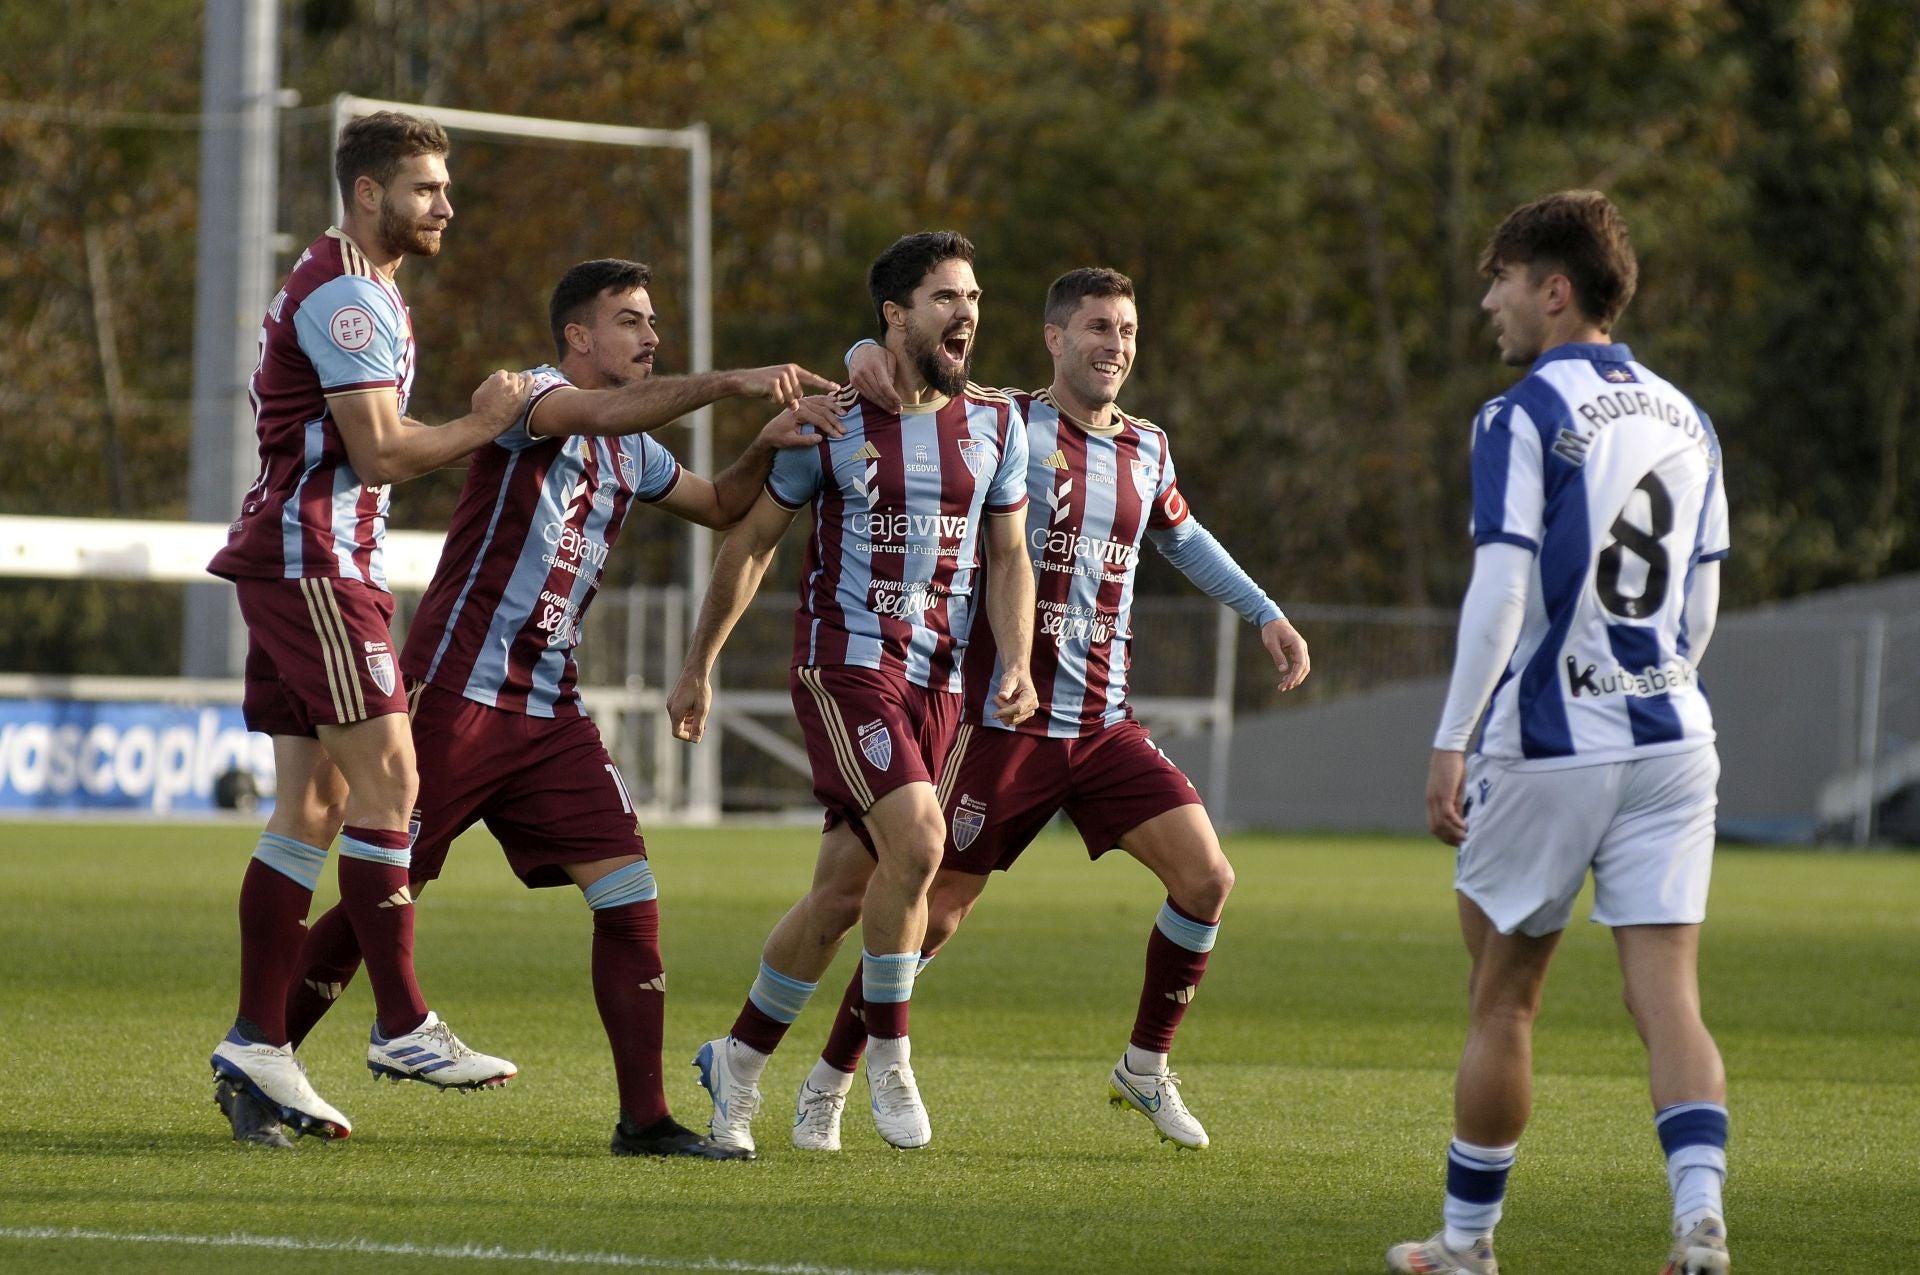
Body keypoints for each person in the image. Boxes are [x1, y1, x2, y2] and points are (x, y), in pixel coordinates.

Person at [216, 259, 845, 1157]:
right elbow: (591, 412)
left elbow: (719, 504)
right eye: (630, 321)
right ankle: (260, 1064)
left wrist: (769, 442)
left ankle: (646, 1118)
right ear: (578, 338)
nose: (650, 335)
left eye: (653, 321)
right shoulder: (533, 400)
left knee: (628, 891)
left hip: (549, 712)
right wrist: (735, 382)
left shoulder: (636, 446)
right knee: (374, 907)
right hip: (453, 699)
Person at [783, 267, 1311, 1153]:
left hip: (1104, 725)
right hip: (999, 725)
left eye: (1129, 330)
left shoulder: (1148, 446)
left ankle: (1144, 1067)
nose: (1116, 345)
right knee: (930, 913)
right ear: (1055, 338)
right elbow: (907, 372)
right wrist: (861, 351)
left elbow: (1184, 538)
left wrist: (1266, 612)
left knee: (1208, 878)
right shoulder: (1000, 419)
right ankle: (829, 1081)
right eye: (1099, 327)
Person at [1386, 191, 1731, 1275]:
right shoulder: (1688, 416)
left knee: (1505, 998)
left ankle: (1468, 1243)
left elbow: (1498, 588)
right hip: (1675, 734)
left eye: (1500, 280)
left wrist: (1452, 737)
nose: (1488, 302)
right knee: (1667, 993)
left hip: (1550, 742)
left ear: (1555, 289)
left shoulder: (1521, 413)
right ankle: (1700, 1223)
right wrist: (1654, 679)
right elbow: (1705, 599)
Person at [665, 230, 1038, 1154]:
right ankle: (890, 1057)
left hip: (940, 685)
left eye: (975, 298)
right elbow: (751, 542)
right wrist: (700, 662)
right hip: (846, 668)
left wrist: (1019, 661)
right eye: (948, 298)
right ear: (896, 313)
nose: (969, 314)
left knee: (841, 894)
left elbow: (1010, 555)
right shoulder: (832, 420)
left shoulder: (996, 425)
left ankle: (739, 1063)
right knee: (919, 838)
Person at [205, 110, 529, 1145]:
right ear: (369, 192)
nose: (446, 206)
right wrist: (487, 419)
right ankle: (401, 1023)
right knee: (395, 782)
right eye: (427, 188)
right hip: (313, 562)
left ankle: (260, 1040)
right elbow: (381, 452)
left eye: (445, 188)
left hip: (306, 558)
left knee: (315, 802)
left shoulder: (354, 282)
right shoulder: (350, 297)